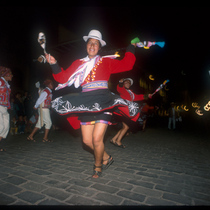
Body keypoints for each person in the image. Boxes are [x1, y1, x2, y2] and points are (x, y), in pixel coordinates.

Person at [45, 29, 138, 178]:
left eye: (96, 43)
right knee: (87, 141)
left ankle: (97, 166)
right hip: (85, 103)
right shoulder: (78, 63)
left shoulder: (106, 61)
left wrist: (131, 47)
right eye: (90, 43)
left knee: (97, 139)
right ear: (86, 46)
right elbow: (62, 78)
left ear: (99, 47)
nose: (92, 45)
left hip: (103, 101)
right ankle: (106, 157)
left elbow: (127, 64)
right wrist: (54, 64)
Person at [110, 78, 152, 148]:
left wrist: (147, 95)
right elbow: (119, 88)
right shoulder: (123, 89)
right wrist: (120, 82)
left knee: (124, 127)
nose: (128, 83)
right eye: (126, 82)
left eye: (129, 83)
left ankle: (113, 139)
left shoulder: (131, 93)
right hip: (123, 110)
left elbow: (138, 97)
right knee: (126, 127)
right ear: (124, 83)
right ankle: (118, 141)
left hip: (128, 110)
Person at [0, 66, 13, 151]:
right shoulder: (0, 81)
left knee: (6, 127)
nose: (12, 76)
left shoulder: (6, 83)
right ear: (7, 75)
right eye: (11, 74)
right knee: (0, 126)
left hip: (4, 107)